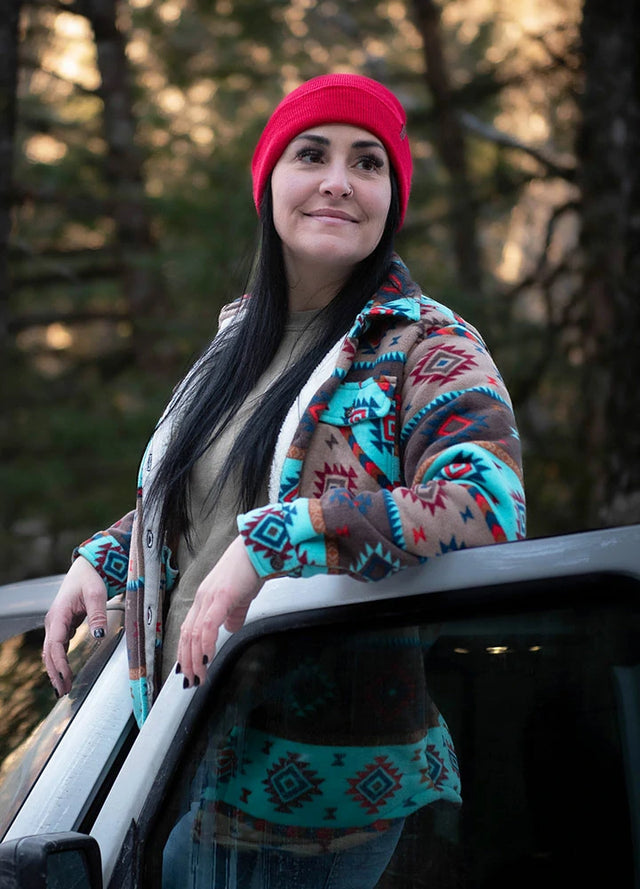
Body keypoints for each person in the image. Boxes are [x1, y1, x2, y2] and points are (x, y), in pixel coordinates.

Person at [43, 74, 526, 886]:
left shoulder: (426, 344)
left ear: (390, 198)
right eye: (312, 154)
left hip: (332, 823)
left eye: (368, 163)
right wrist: (110, 553)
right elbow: (217, 500)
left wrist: (276, 543)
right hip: (186, 767)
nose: (339, 180)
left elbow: (486, 504)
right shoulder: (240, 339)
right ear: (268, 183)